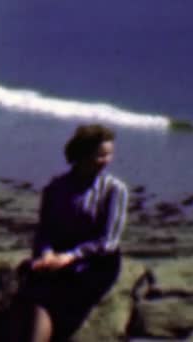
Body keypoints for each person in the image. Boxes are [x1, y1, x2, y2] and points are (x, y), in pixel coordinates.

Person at [16, 124, 129, 342]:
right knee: (35, 289)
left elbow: (109, 241)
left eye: (109, 155)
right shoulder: (56, 187)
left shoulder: (115, 189)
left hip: (95, 262)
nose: (107, 160)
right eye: (101, 155)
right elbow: (45, 229)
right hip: (59, 256)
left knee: (58, 297)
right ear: (83, 154)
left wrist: (71, 256)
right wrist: (46, 254)